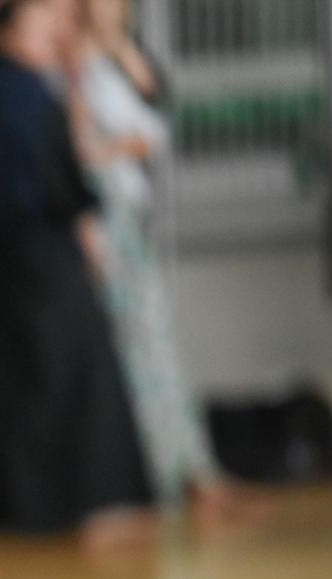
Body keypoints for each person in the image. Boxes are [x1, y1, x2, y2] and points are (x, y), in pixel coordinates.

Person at [0, 0, 154, 546]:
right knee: (64, 376)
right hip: (42, 255)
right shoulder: (19, 96)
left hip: (12, 258)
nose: (52, 30)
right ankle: (81, 506)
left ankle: (34, 508)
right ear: (5, 35)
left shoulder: (2, 94)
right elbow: (55, 182)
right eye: (38, 21)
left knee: (29, 382)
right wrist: (80, 218)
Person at [70, 0, 236, 518]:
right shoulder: (72, 63)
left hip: (130, 217)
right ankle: (155, 478)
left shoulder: (120, 57)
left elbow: (154, 122)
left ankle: (189, 470)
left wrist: (120, 47)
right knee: (128, 351)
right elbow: (89, 146)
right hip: (100, 219)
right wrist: (123, 147)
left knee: (156, 347)